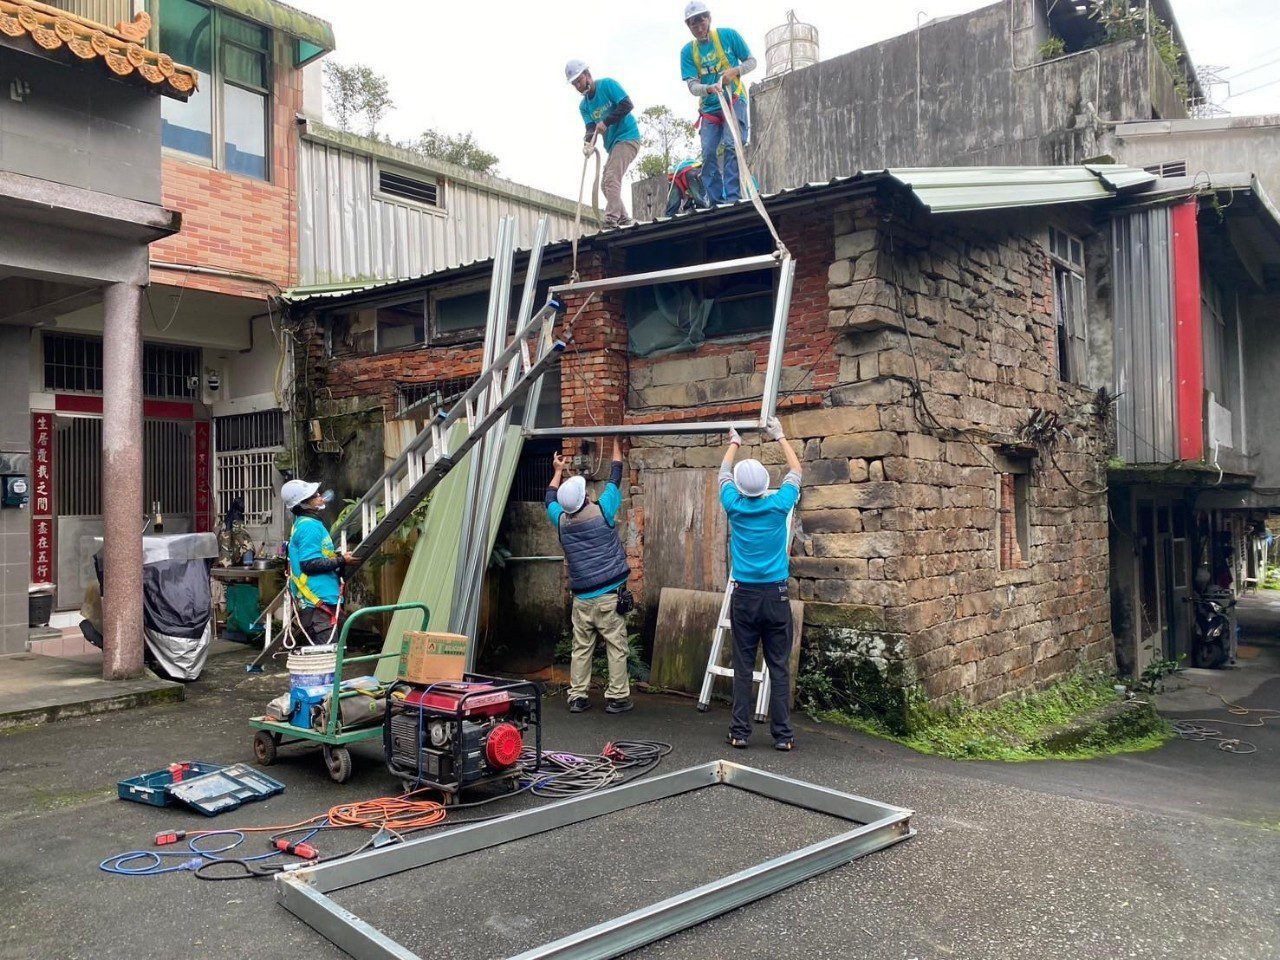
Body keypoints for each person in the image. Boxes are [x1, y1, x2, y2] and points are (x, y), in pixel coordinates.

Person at [718, 417, 802, 751]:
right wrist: (779, 436)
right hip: (776, 596)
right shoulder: (779, 505)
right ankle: (783, 737)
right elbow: (796, 471)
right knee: (778, 667)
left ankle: (739, 732)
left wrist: (734, 442)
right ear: (766, 484)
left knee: (743, 665)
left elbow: (723, 473)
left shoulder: (734, 506)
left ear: (740, 488)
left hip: (744, 596)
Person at [546, 438, 634, 714]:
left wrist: (557, 470)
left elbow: (549, 498)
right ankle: (617, 697)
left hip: (582, 599)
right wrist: (617, 446)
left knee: (581, 648)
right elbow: (615, 477)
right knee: (616, 647)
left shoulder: (561, 522)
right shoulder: (602, 511)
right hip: (609, 596)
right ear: (584, 497)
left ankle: (577, 697)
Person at [679, 1, 756, 205]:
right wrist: (709, 88)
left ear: (709, 18)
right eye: (693, 23)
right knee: (708, 153)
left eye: (701, 21)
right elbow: (692, 86)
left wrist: (735, 71)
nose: (698, 27)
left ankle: (732, 197)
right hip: (710, 108)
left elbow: (751, 61)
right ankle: (716, 201)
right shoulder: (688, 52)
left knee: (732, 145)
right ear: (688, 26)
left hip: (734, 99)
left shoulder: (728, 36)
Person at [566, 60, 642, 227]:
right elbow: (590, 128)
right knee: (604, 185)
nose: (578, 86)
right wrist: (588, 143)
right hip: (613, 145)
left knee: (611, 178)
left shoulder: (607, 85)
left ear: (587, 75)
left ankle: (611, 218)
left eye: (579, 80)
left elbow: (627, 104)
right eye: (574, 84)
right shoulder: (584, 106)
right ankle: (623, 218)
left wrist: (606, 122)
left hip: (628, 137)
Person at [281, 478, 351, 645]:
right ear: (304, 504)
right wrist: (342, 560)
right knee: (326, 655)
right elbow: (309, 564)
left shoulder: (306, 523)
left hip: (321, 599)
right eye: (315, 495)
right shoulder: (308, 527)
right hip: (317, 601)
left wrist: (338, 559)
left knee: (332, 653)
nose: (320, 496)